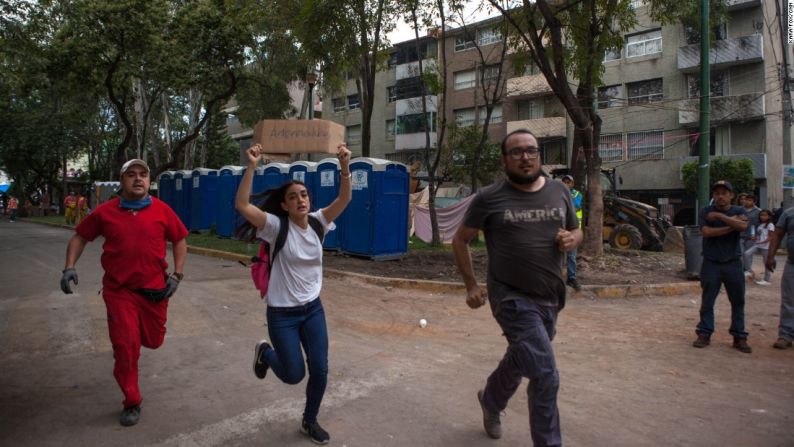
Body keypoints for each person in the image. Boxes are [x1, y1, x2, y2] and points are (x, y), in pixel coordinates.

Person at [452, 129, 582, 446]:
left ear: (539, 154)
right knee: (545, 373)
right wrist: (471, 285)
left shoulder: (558, 191)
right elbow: (460, 239)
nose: (525, 157)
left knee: (523, 358)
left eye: (531, 150)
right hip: (510, 297)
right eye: (517, 152)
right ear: (504, 159)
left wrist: (571, 239)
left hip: (551, 296)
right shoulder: (490, 198)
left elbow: (577, 231)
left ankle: (491, 400)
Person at [235, 142, 351, 445]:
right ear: (284, 205)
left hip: (313, 310)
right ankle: (266, 353)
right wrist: (251, 166)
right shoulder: (275, 226)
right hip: (282, 314)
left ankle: (309, 420)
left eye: (304, 195)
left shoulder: (319, 222)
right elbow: (243, 206)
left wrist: (345, 166)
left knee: (321, 370)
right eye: (293, 197)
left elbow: (344, 197)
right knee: (292, 375)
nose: (300, 199)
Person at [60, 159, 187, 426]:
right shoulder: (105, 212)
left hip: (154, 291)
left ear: (149, 180)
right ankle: (132, 400)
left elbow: (179, 239)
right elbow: (80, 237)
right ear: (122, 180)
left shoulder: (162, 210)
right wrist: (69, 267)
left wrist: (176, 275)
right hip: (120, 291)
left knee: (153, 341)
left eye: (143, 174)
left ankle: (133, 335)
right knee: (126, 348)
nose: (138, 179)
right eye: (132, 175)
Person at [692, 180, 752, 353]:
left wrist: (719, 218)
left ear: (731, 195)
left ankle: (739, 336)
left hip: (733, 263)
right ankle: (704, 332)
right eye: (717, 193)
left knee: (738, 301)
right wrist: (731, 224)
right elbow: (707, 232)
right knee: (707, 301)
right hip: (711, 263)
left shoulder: (739, 211)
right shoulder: (706, 211)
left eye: (724, 193)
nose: (720, 196)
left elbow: (743, 226)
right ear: (713, 196)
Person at [764, 207, 794, 349]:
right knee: (789, 299)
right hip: (792, 264)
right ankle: (786, 334)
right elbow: (777, 235)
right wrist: (770, 256)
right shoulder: (789, 213)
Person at [561, 174, 582, 291]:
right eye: (564, 182)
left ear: (572, 184)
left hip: (572, 230)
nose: (566, 184)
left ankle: (571, 278)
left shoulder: (577, 194)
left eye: (568, 182)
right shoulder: (556, 194)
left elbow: (576, 205)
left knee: (571, 256)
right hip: (559, 229)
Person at [743, 209, 774, 286]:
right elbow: (759, 235)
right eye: (761, 215)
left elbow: (770, 237)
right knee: (746, 254)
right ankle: (749, 271)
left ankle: (767, 280)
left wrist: (762, 242)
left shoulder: (770, 225)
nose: (762, 217)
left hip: (766, 247)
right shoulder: (760, 225)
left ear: (769, 216)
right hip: (758, 245)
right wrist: (755, 238)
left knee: (766, 263)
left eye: (765, 215)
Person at [740, 194, 761, 278]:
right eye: (746, 200)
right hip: (740, 234)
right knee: (740, 253)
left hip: (751, 235)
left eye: (750, 200)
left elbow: (759, 224)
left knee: (748, 254)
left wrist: (757, 235)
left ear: (754, 202)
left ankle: (748, 269)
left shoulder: (758, 211)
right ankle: (741, 269)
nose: (747, 201)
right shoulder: (740, 210)